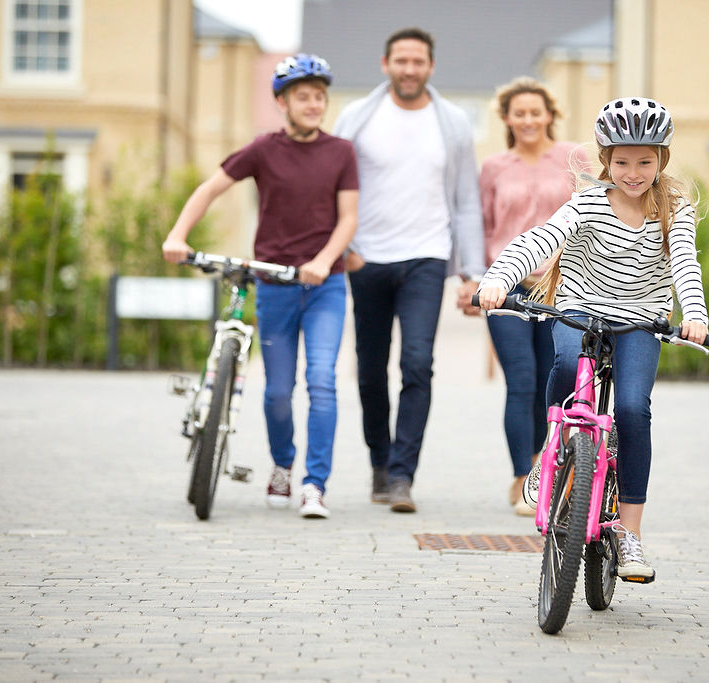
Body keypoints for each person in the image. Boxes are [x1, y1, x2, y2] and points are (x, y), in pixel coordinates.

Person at [476, 97, 709, 580]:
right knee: (563, 366)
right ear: (605, 160)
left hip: (640, 320)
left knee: (631, 411)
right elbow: (539, 240)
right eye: (622, 161)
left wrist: (694, 315)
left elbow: (685, 264)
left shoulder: (674, 210)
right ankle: (549, 454)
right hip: (581, 310)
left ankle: (630, 534)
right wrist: (499, 278)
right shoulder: (587, 204)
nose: (633, 172)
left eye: (645, 161)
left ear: (661, 159)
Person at [161, 54, 359, 520]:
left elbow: (348, 217)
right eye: (303, 97)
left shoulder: (340, 153)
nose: (314, 104)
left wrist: (323, 261)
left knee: (322, 383)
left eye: (319, 97)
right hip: (274, 285)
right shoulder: (263, 149)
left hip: (324, 286)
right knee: (275, 392)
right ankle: (283, 465)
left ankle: (315, 485)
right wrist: (176, 235)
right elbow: (210, 189)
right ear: (282, 102)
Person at [332, 28, 484, 513]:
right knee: (370, 369)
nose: (410, 69)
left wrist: (472, 270)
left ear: (430, 67)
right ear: (385, 64)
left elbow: (466, 201)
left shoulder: (454, 122)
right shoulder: (357, 116)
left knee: (417, 363)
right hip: (366, 257)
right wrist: (342, 250)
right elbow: (330, 185)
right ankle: (379, 462)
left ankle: (402, 475)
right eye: (401, 60)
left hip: (426, 255)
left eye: (418, 61)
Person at [461, 78, 589, 516]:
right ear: (507, 118)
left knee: (555, 378)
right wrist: (473, 279)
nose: (529, 119)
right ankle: (523, 476)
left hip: (562, 286)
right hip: (506, 287)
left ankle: (550, 469)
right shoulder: (495, 166)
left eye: (537, 111)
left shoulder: (576, 160)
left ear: (550, 114)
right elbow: (480, 224)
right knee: (521, 378)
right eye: (520, 112)